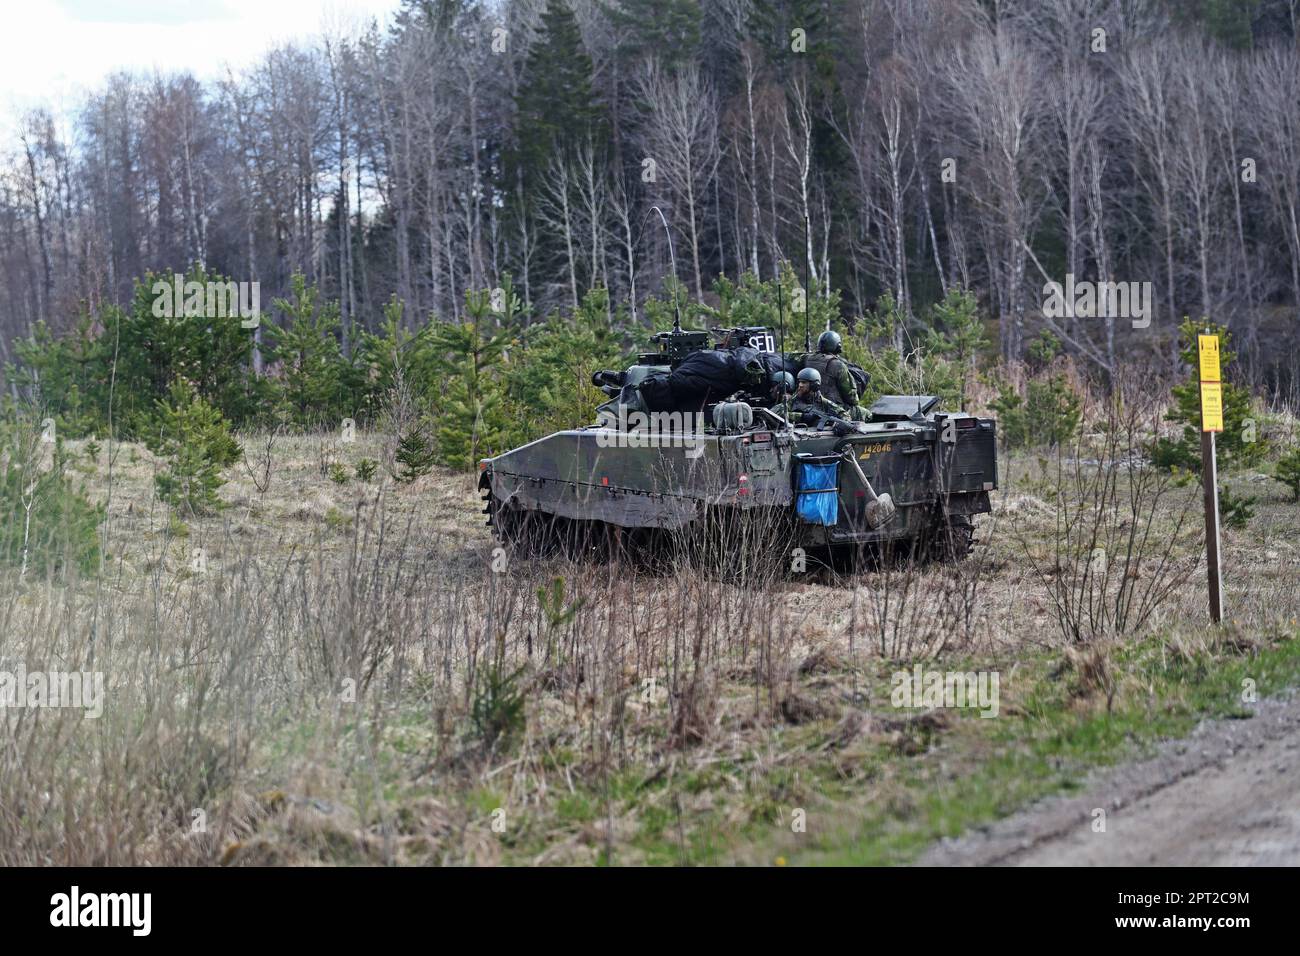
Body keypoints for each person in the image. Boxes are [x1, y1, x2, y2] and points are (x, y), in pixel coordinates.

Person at [800, 330, 861, 411]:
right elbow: (851, 397)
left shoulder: (806, 359)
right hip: (833, 409)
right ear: (837, 346)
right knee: (866, 414)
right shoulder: (838, 365)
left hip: (807, 406)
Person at [790, 368, 867, 424]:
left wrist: (842, 425)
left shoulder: (823, 402)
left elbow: (844, 414)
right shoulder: (794, 399)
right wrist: (801, 416)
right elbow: (778, 412)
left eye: (804, 382)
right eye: (800, 382)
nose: (800, 385)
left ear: (814, 385)